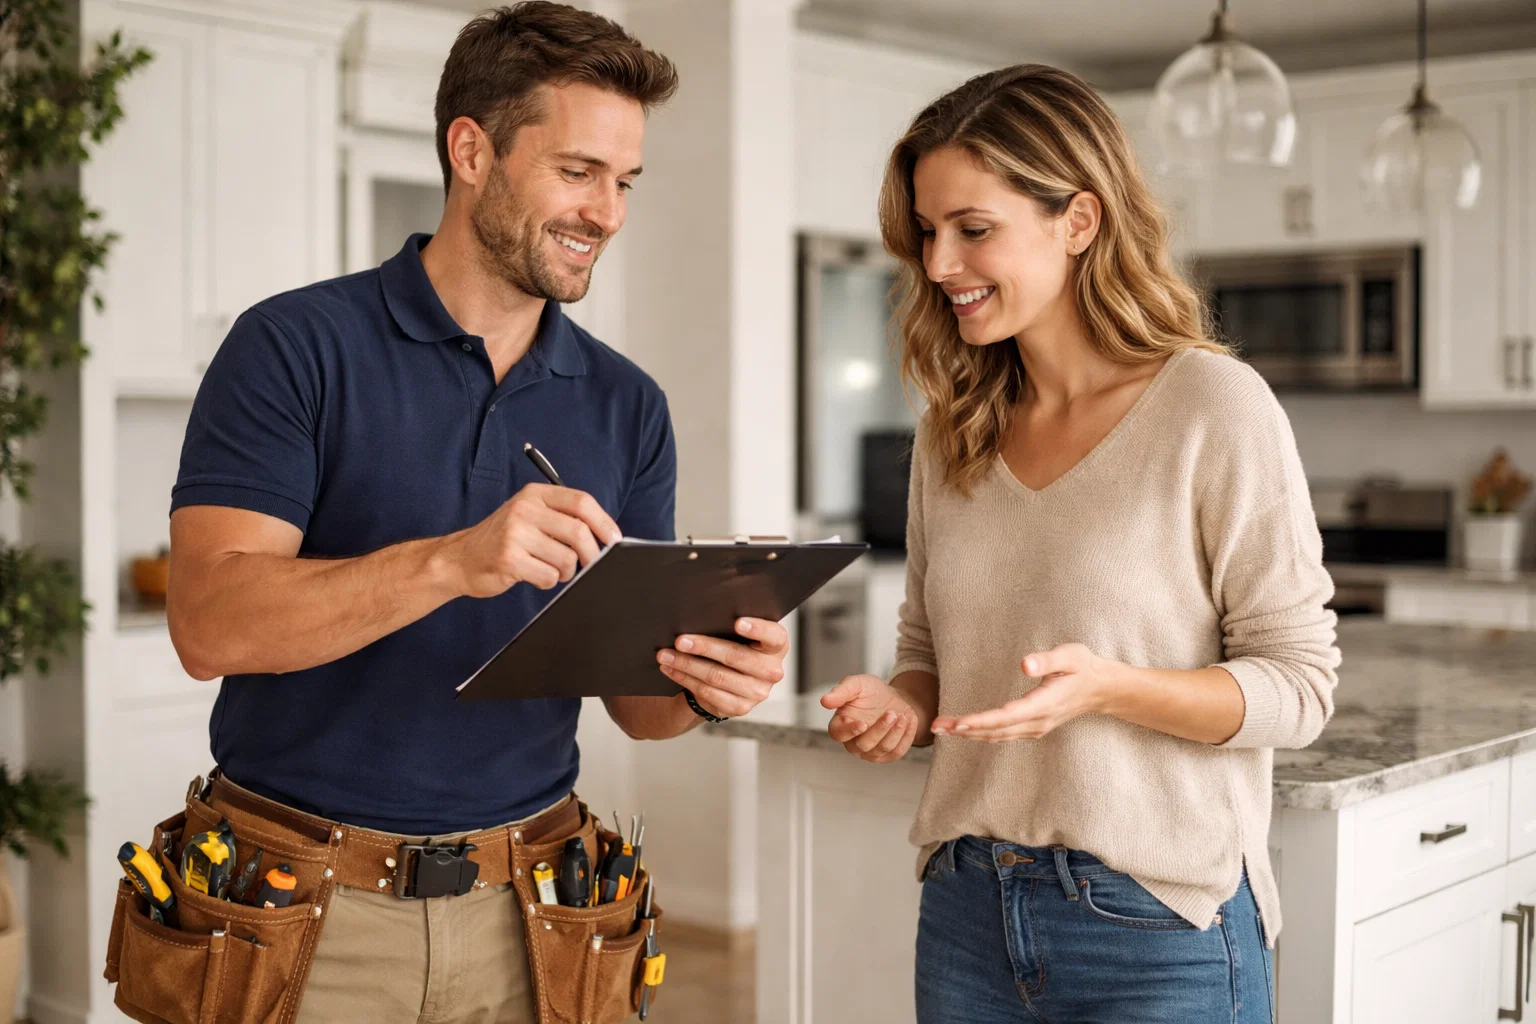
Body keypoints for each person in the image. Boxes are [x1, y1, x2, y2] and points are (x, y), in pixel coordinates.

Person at [163, 5, 788, 1021]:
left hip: (534, 914)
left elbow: (638, 706)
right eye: (578, 171)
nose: (608, 212)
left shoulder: (627, 404)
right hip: (302, 912)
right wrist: (455, 561)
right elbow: (207, 621)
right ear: (472, 150)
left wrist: (712, 680)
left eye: (624, 182)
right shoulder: (293, 348)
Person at [819, 64, 1340, 1024]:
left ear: (1080, 222)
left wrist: (1110, 689)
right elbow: (932, 652)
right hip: (970, 909)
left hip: (1157, 926)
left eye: (974, 230)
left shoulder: (1211, 408)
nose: (939, 266)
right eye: (928, 234)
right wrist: (903, 703)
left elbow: (1300, 689)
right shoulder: (953, 430)